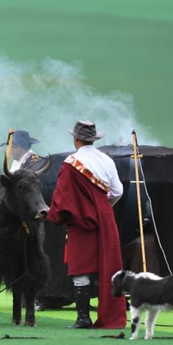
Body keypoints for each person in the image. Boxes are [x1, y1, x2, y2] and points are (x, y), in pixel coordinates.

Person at [46, 120, 127, 330]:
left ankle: (83, 318)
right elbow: (118, 191)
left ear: (76, 139)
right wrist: (102, 206)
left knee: (80, 266)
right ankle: (109, 316)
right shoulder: (107, 160)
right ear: (94, 139)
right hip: (105, 218)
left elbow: (62, 197)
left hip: (80, 220)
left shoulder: (71, 162)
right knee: (106, 266)